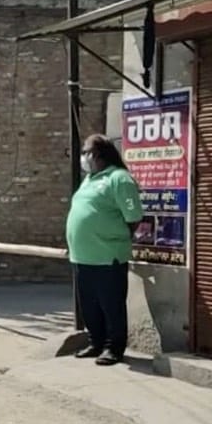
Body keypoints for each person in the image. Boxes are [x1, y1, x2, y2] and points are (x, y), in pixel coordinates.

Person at [66, 134, 144, 366]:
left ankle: (114, 347)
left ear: (100, 154)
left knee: (112, 306)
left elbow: (134, 217)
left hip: (108, 256)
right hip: (82, 256)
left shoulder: (119, 179)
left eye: (87, 152)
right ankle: (96, 342)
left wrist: (114, 237)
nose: (83, 157)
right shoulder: (89, 179)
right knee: (89, 306)